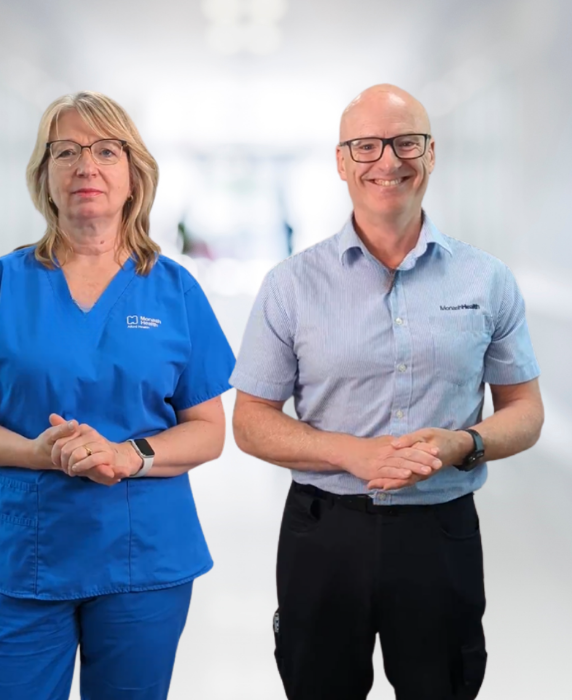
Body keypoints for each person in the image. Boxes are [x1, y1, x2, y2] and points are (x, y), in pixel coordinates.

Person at [230, 84, 545, 700]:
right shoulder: (291, 285)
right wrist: (352, 453)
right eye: (367, 146)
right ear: (341, 161)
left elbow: (525, 411)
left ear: (431, 153)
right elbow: (250, 421)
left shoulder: (487, 280)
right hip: (324, 531)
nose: (388, 161)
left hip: (440, 532)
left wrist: (462, 443)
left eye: (406, 143)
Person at [0, 91, 235, 700]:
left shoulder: (174, 291)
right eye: (65, 152)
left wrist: (127, 455)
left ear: (134, 174)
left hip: (144, 559)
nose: (85, 166)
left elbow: (208, 430)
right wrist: (37, 452)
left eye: (106, 151)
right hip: (23, 556)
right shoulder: (0, 284)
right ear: (44, 176)